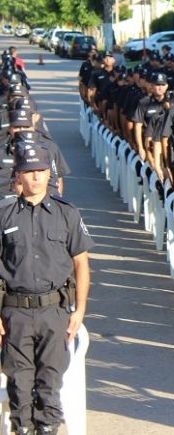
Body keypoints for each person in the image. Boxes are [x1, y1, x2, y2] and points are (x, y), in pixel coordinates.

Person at [0, 145, 93, 434]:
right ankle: (23, 429)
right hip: (15, 313)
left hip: (54, 312)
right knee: (19, 384)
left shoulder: (67, 213)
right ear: (19, 176)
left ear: (49, 173)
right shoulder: (5, 215)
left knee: (50, 384)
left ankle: (47, 429)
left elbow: (81, 264)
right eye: (29, 171)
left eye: (41, 170)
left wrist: (80, 311)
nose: (36, 177)